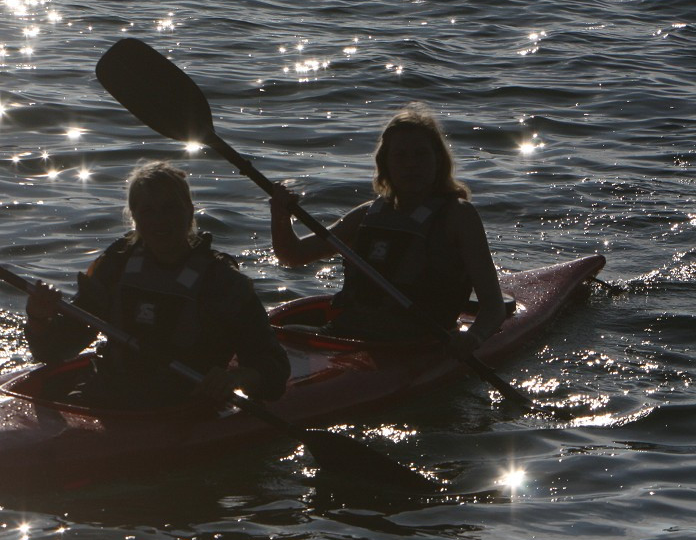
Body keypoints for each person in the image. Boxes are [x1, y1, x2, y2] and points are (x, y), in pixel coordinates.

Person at [25, 161, 290, 410]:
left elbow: (274, 369)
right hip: (107, 397)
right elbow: (55, 350)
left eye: (170, 208)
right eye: (148, 211)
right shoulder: (115, 266)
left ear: (190, 212)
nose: (160, 221)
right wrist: (38, 317)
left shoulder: (222, 281)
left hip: (183, 408)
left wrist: (237, 378)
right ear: (135, 218)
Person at [268, 102, 505, 356]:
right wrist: (280, 216)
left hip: (413, 346)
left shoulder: (458, 216)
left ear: (438, 159)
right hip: (343, 335)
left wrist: (474, 338)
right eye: (401, 155)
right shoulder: (368, 213)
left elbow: (493, 306)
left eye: (421, 154)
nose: (411, 164)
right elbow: (292, 255)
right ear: (386, 163)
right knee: (270, 336)